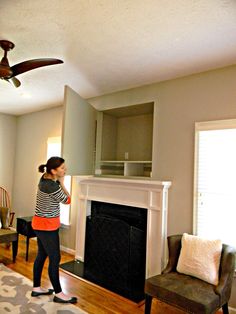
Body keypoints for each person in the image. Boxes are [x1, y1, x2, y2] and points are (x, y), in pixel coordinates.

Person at [31, 156, 77, 304]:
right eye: (62, 168)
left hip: (40, 224)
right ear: (53, 170)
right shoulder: (52, 186)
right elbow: (68, 200)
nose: (65, 170)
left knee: (42, 255)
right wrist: (63, 183)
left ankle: (36, 288)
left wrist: (59, 180)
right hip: (47, 227)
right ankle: (59, 293)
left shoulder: (44, 179)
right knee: (55, 259)